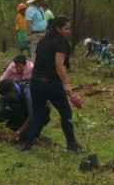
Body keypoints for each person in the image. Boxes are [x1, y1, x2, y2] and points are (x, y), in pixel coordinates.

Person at [21, 16, 83, 152]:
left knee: (37, 114)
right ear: (57, 29)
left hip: (36, 82)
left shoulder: (43, 41)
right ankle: (72, 145)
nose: (69, 31)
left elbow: (37, 61)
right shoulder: (61, 43)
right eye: (66, 28)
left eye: (69, 28)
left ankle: (27, 145)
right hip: (51, 84)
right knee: (66, 113)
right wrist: (67, 86)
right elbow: (59, 66)